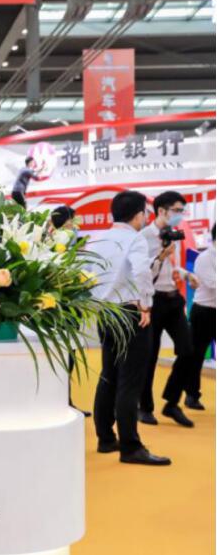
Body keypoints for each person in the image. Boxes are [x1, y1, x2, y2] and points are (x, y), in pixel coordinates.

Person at [90, 190, 170, 466]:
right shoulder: (135, 239)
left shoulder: (97, 238)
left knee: (109, 375)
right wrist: (145, 304)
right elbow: (141, 271)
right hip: (129, 313)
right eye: (145, 213)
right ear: (138, 215)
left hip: (105, 313)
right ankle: (131, 447)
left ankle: (105, 438)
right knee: (130, 381)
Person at [139, 191, 199, 427]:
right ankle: (145, 407)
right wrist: (161, 256)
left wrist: (186, 275)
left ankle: (171, 403)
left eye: (182, 211)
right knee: (149, 356)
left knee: (188, 350)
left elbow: (172, 269)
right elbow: (143, 273)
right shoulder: (144, 237)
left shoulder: (173, 234)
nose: (180, 215)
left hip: (174, 300)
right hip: (153, 302)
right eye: (176, 210)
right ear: (161, 211)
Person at [49, 206, 90, 418]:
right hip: (61, 308)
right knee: (63, 356)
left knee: (69, 356)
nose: (75, 226)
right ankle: (61, 402)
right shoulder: (54, 247)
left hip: (69, 307)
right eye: (72, 221)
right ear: (65, 222)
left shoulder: (71, 247)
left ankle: (66, 401)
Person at [170, 224, 215, 411]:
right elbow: (212, 283)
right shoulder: (205, 258)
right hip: (204, 312)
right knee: (196, 355)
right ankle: (191, 394)